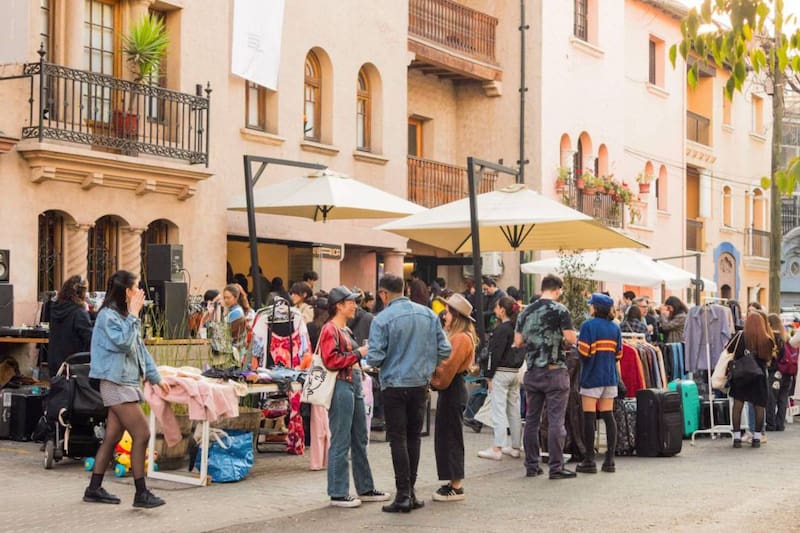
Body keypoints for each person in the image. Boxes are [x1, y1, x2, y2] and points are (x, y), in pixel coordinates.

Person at [84, 270, 169, 508]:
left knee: (112, 437)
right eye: (136, 288)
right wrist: (134, 315)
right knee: (142, 434)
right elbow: (122, 343)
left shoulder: (125, 316)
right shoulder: (107, 317)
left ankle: (94, 488)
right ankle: (141, 493)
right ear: (126, 292)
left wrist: (155, 377)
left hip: (127, 382)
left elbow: (139, 349)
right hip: (114, 383)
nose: (140, 292)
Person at [367, 273, 451, 512]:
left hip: (394, 384)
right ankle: (411, 492)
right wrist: (425, 363)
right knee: (414, 437)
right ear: (403, 289)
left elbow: (374, 357)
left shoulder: (382, 319)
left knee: (398, 439)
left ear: (384, 294)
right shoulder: (427, 314)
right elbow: (445, 350)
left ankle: (403, 494)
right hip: (420, 384)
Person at [319, 286, 390, 508]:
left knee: (359, 438)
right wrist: (359, 353)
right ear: (339, 305)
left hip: (353, 383)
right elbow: (331, 361)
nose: (355, 306)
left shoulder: (344, 330)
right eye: (350, 302)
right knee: (341, 439)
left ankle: (365, 488)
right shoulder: (330, 330)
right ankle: (338, 492)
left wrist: (359, 356)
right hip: (342, 385)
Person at [515, 273, 577, 480]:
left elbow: (518, 342)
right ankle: (556, 467)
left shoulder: (525, 312)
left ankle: (531, 465)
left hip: (533, 372)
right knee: (555, 421)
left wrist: (535, 341)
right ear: (558, 290)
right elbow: (570, 338)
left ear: (542, 288)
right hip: (554, 370)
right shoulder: (561, 310)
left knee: (531, 420)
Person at [430, 293, 476, 501]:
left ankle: (456, 484)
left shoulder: (459, 338)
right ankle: (452, 481)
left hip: (453, 388)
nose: (444, 316)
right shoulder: (462, 336)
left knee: (450, 436)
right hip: (454, 388)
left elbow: (447, 367)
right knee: (449, 434)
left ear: (456, 315)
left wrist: (433, 379)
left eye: (448, 312)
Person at [576, 293, 622, 474]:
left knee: (589, 416)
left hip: (591, 375)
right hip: (609, 376)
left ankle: (589, 460)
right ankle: (609, 460)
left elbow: (584, 352)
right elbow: (619, 355)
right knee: (608, 415)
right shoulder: (615, 328)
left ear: (595, 307)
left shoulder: (588, 326)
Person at [477, 296, 523, 461]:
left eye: (497, 307)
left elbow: (493, 354)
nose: (495, 310)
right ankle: (516, 446)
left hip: (501, 372)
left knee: (498, 409)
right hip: (514, 371)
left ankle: (497, 447)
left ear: (503, 310)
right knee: (514, 409)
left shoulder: (501, 329)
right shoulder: (517, 328)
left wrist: (488, 375)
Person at [727, 311, 775, 448]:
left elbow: (729, 350)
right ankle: (757, 438)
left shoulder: (740, 336)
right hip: (759, 377)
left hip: (740, 376)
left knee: (738, 406)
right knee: (759, 406)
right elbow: (768, 359)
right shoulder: (767, 339)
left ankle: (736, 438)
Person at [47, 275, 93, 374]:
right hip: (73, 363)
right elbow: (89, 338)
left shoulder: (55, 308)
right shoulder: (79, 312)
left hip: (54, 361)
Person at [766, 313, 787, 431]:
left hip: (774, 371)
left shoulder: (772, 338)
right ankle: (780, 424)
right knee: (782, 399)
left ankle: (771, 424)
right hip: (786, 372)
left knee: (771, 397)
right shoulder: (784, 337)